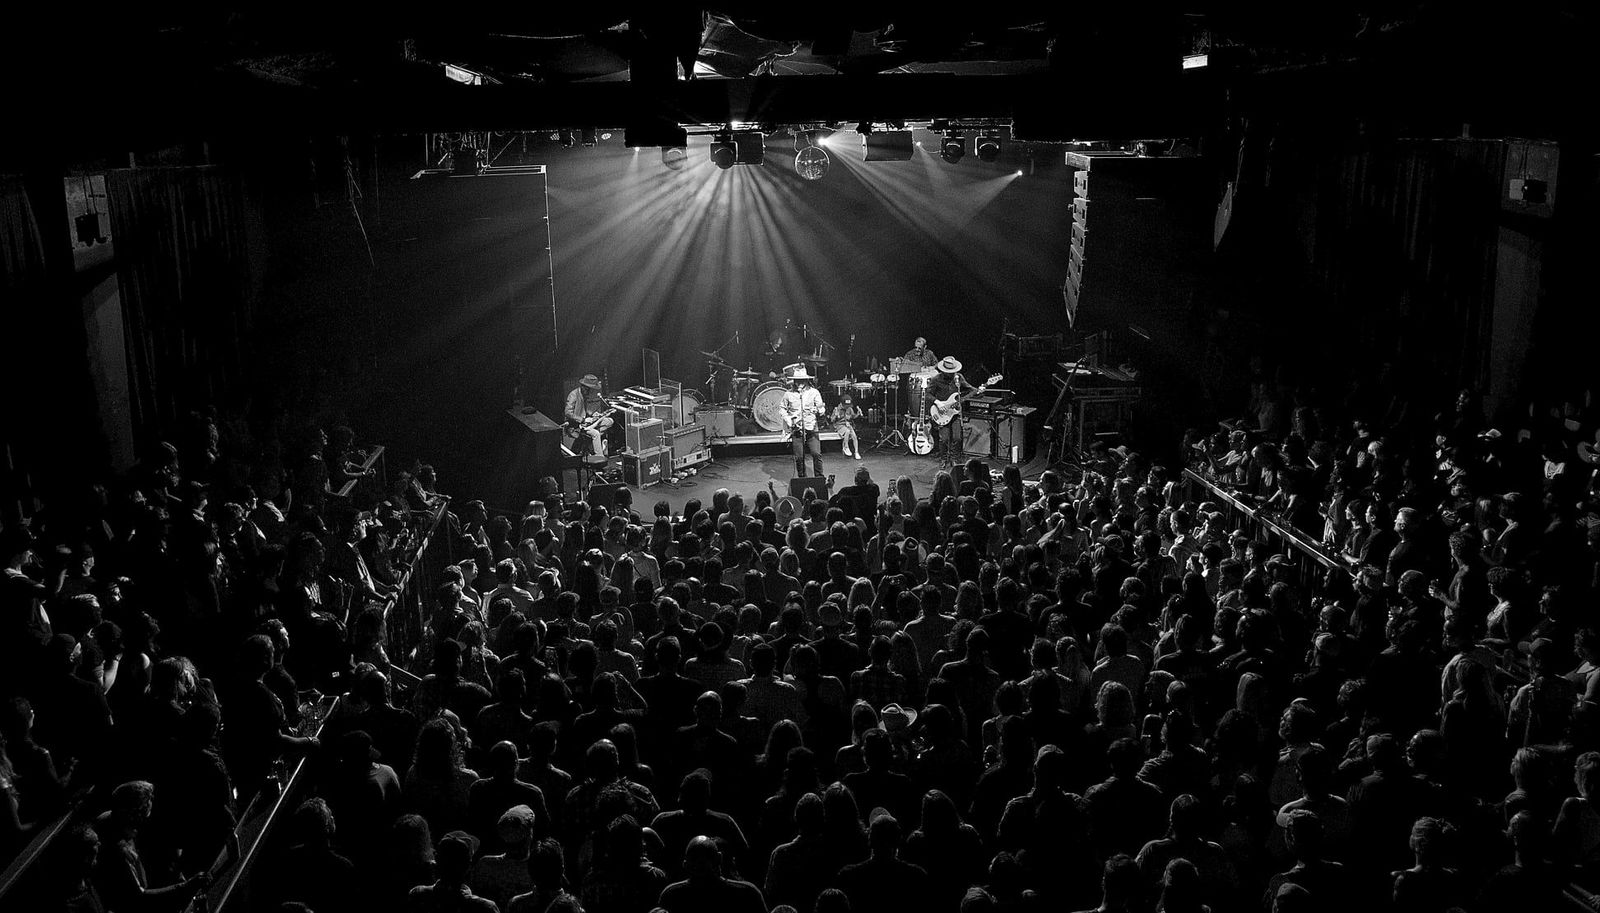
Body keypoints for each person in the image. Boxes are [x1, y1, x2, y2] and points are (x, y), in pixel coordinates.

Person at [924, 356, 975, 469]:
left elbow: (971, 389)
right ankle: (943, 458)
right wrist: (938, 402)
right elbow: (927, 394)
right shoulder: (936, 379)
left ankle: (954, 458)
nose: (950, 374)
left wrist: (979, 390)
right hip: (941, 413)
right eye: (948, 372)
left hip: (955, 413)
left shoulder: (958, 378)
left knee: (957, 438)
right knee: (944, 439)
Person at [781, 366, 827, 480]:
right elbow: (782, 409)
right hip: (797, 429)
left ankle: (819, 478)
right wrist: (789, 420)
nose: (799, 383)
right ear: (794, 381)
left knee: (816, 454)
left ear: (806, 380)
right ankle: (802, 479)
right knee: (799, 457)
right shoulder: (788, 394)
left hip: (811, 427)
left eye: (802, 380)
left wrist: (819, 410)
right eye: (797, 381)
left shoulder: (814, 392)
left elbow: (821, 408)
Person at [564, 373, 613, 464]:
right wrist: (583, 420)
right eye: (589, 389)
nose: (590, 391)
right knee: (596, 434)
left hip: (586, 423)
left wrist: (594, 414)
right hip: (576, 426)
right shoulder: (573, 395)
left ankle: (592, 446)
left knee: (609, 421)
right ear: (583, 387)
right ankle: (599, 457)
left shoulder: (585, 394)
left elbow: (585, 411)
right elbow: (568, 413)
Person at [832, 395, 863, 460]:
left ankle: (856, 452)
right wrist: (835, 416)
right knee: (847, 431)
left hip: (848, 424)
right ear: (841, 404)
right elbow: (832, 420)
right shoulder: (837, 409)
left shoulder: (849, 409)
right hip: (839, 425)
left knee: (854, 436)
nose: (847, 407)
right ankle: (846, 447)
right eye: (845, 405)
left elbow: (853, 417)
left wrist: (858, 414)